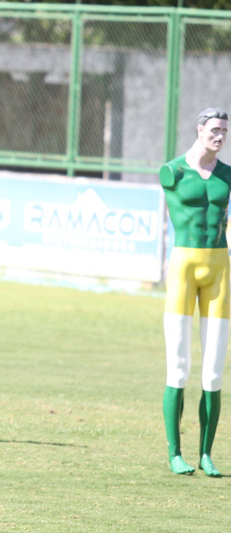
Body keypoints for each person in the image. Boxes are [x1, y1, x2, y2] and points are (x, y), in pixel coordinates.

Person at [160, 107, 231, 476]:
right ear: (199, 129)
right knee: (179, 367)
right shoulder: (173, 172)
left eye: (225, 131)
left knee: (214, 372)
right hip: (184, 269)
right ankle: (175, 453)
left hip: (219, 268)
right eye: (215, 129)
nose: (220, 136)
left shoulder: (228, 176)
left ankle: (206, 454)